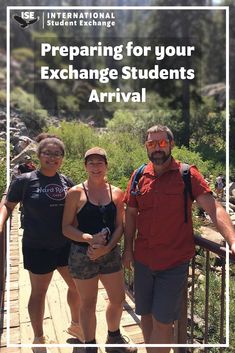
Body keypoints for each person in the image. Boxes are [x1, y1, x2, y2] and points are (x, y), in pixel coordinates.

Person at [122, 125, 235, 353]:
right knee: (145, 314)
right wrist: (127, 249)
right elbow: (131, 213)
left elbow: (214, 209)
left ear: (171, 145)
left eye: (162, 143)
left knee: (163, 323)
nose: (157, 148)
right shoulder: (138, 175)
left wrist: (232, 239)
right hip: (143, 259)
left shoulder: (187, 175)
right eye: (152, 144)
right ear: (146, 147)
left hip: (173, 262)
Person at [0, 137, 83, 353]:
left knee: (76, 287)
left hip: (65, 245)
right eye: (47, 153)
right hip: (37, 245)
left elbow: (78, 208)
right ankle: (38, 337)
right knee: (39, 293)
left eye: (57, 154)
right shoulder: (25, 180)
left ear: (62, 159)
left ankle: (76, 325)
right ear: (39, 156)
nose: (52, 157)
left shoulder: (66, 181)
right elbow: (7, 205)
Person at [62, 147, 137, 353]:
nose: (96, 167)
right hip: (82, 254)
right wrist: (88, 239)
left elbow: (120, 225)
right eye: (91, 163)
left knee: (117, 298)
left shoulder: (116, 192)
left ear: (106, 166)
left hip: (110, 253)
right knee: (88, 302)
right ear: (85, 166)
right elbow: (66, 227)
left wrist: (107, 247)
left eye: (100, 163)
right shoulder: (75, 193)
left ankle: (114, 339)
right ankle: (90, 346)